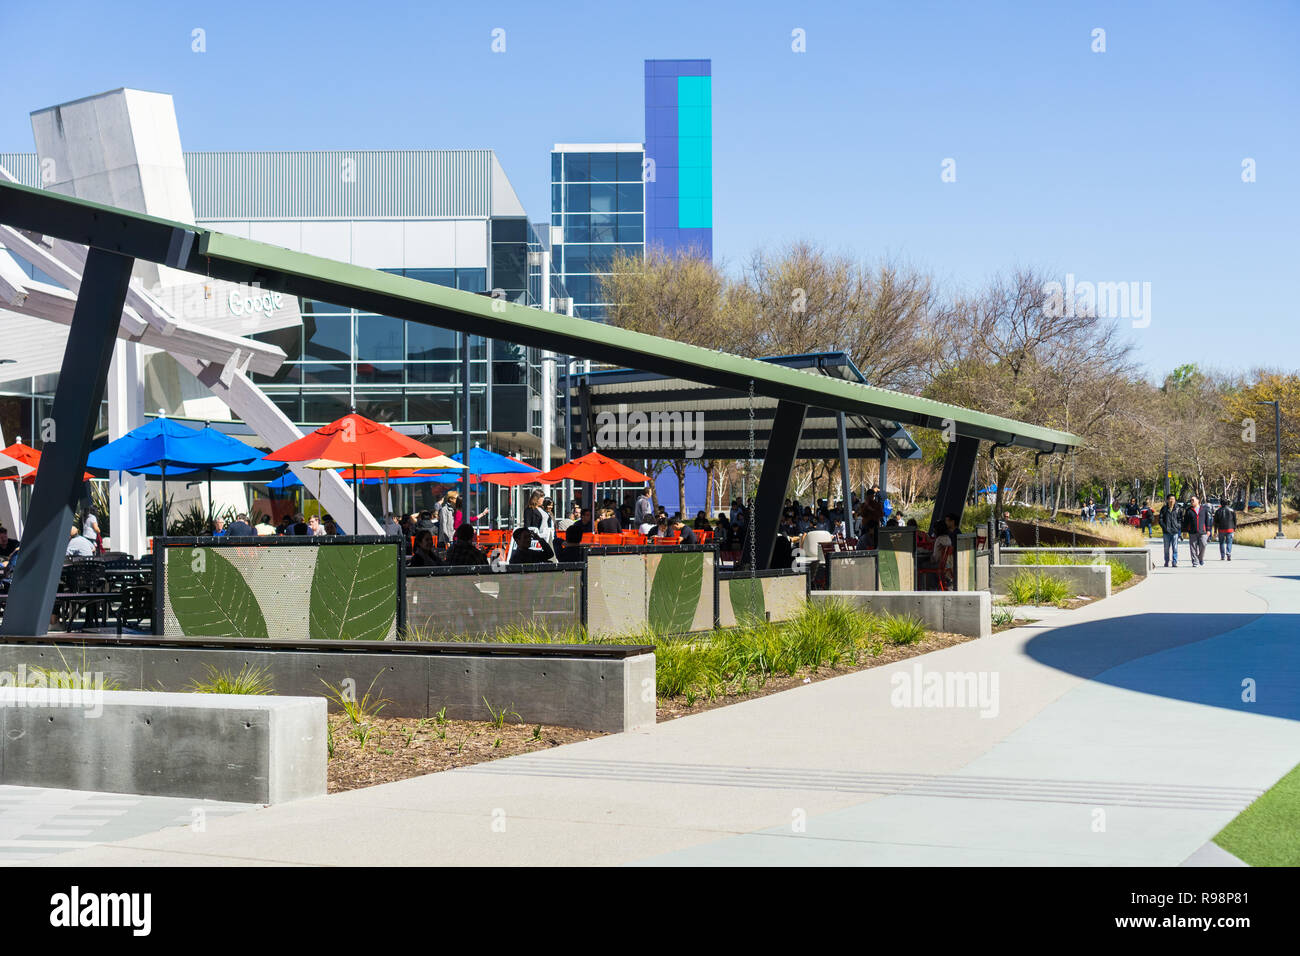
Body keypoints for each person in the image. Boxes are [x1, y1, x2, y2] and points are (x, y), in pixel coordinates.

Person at [1183, 494, 1211, 567]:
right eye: (1191, 500)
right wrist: (1184, 531)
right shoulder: (1189, 510)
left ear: (1198, 501)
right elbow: (1185, 521)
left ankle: (1200, 558)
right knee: (1193, 548)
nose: (1191, 502)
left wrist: (1208, 530)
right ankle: (1195, 562)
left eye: (1193, 500)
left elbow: (1207, 520)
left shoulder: (1204, 509)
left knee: (1204, 545)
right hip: (1192, 532)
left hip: (1203, 532)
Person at [1158, 494, 1182, 568]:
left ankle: (1174, 562)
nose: (1172, 501)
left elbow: (1180, 519)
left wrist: (1178, 526)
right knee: (1166, 548)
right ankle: (1166, 561)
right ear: (1167, 500)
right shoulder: (1164, 509)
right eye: (1170, 499)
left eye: (1173, 499)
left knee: (1175, 548)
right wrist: (1164, 527)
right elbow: (1160, 519)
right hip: (1166, 532)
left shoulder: (1178, 509)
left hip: (1175, 531)